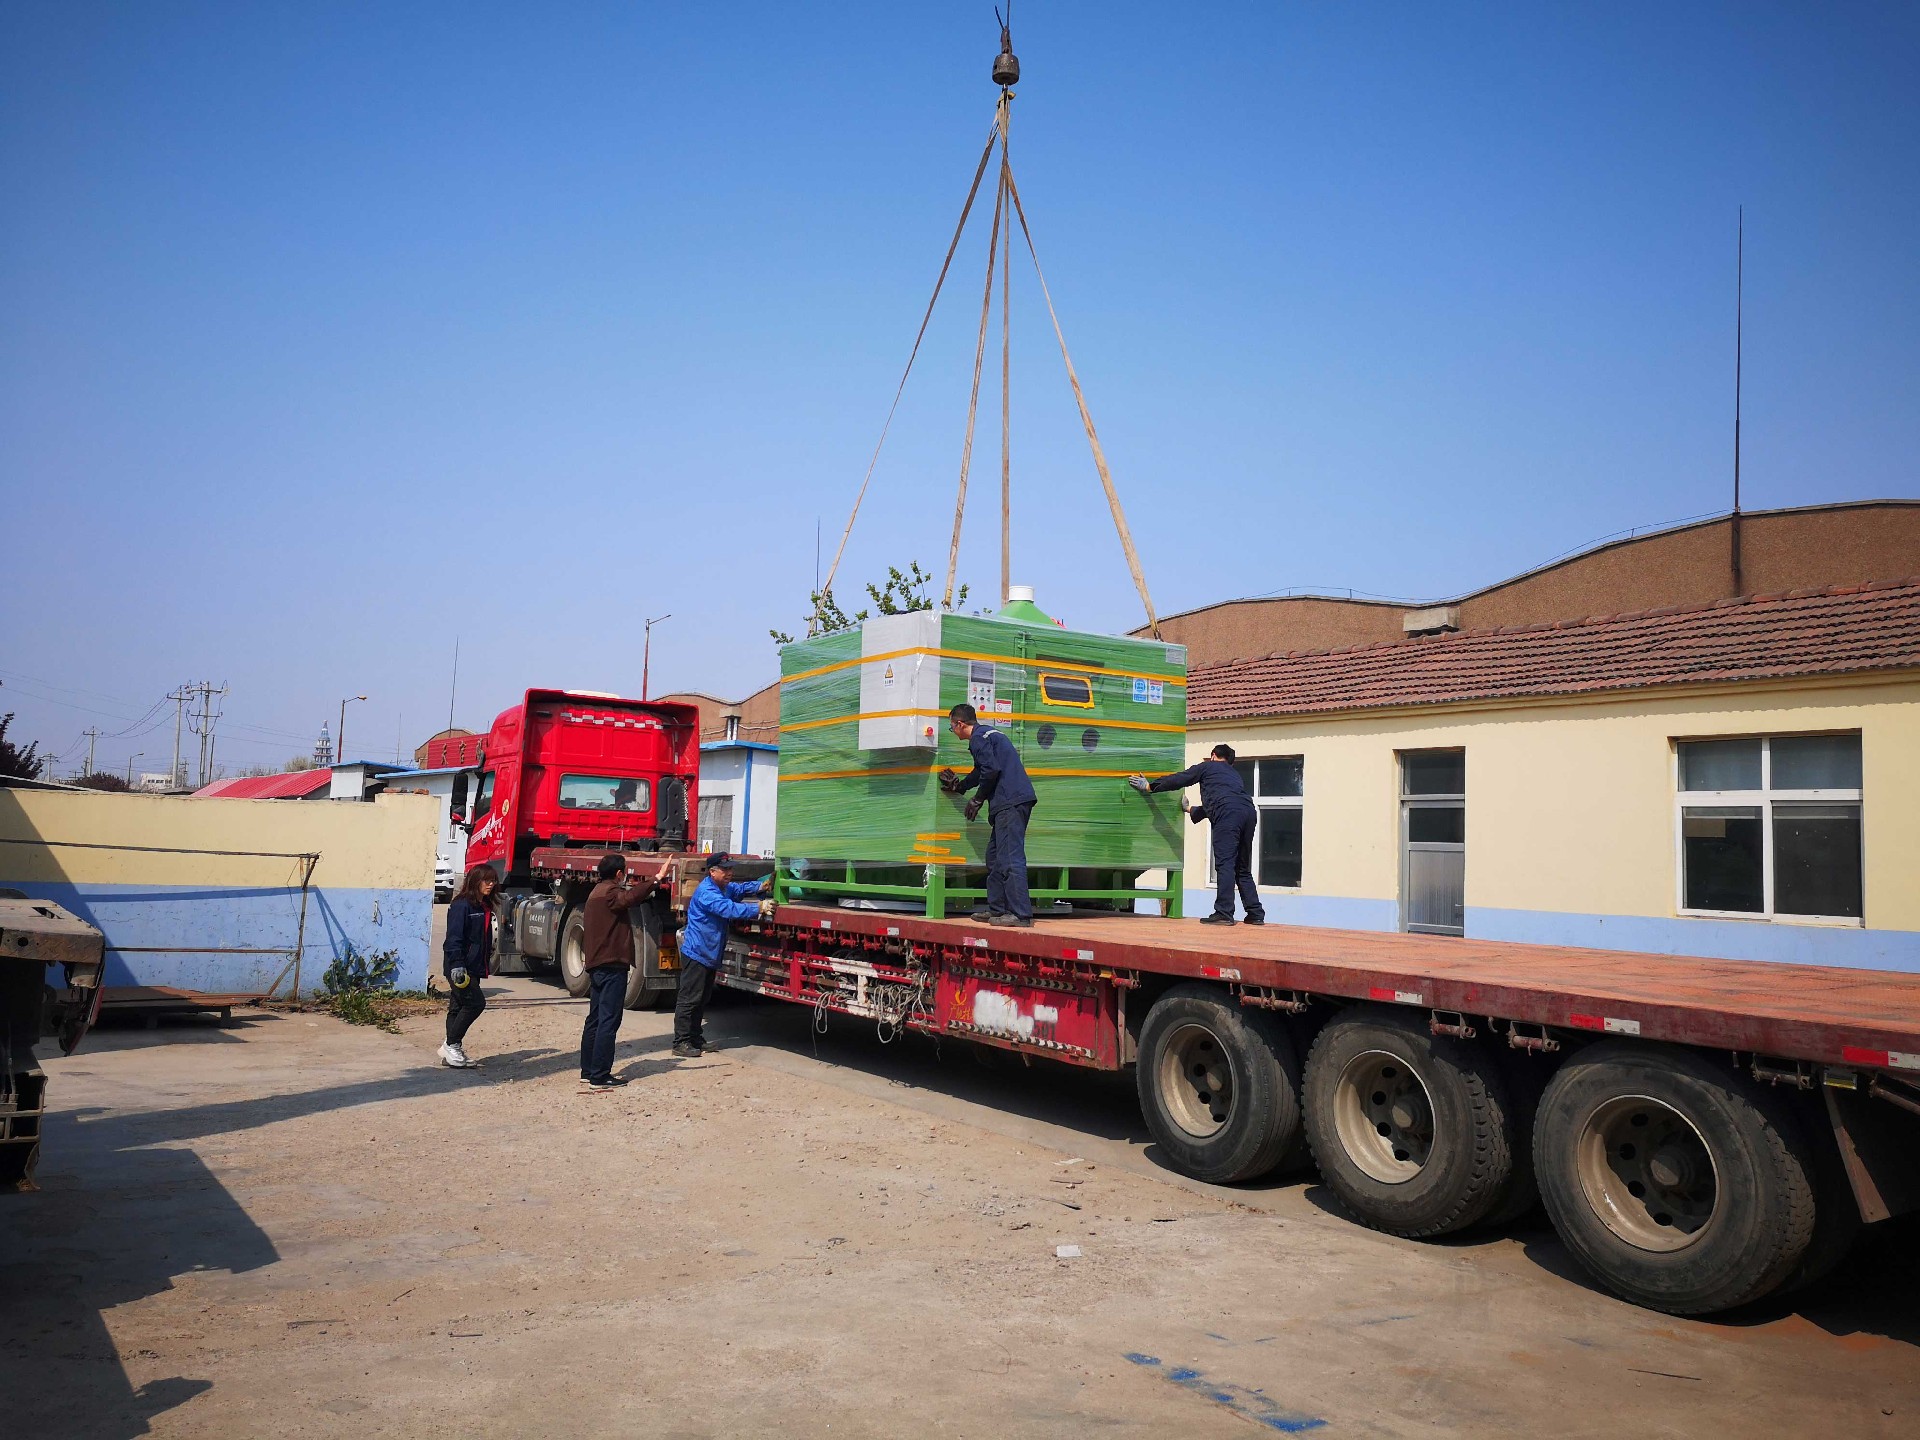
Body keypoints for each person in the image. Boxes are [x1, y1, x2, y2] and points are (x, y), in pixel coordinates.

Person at [1130, 744, 1265, 927]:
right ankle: (1255, 913)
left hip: (1228, 815)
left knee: (1225, 864)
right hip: (1249, 813)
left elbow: (1181, 778)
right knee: (1242, 866)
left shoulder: (1208, 767)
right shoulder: (1234, 776)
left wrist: (1151, 786)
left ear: (1213, 755)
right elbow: (1219, 803)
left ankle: (1224, 913)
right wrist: (1189, 809)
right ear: (1230, 762)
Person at [940, 702, 1038, 928]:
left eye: (952, 727)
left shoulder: (977, 738)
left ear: (960, 724)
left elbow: (991, 770)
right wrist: (961, 787)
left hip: (1010, 802)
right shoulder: (988, 734)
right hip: (1011, 801)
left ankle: (1020, 915)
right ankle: (998, 910)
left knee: (1010, 858)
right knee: (994, 857)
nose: (953, 731)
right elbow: (982, 770)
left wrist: (978, 799)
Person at [674, 854, 772, 1057]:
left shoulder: (723, 887)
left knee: (702, 998)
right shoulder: (707, 892)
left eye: (730, 869)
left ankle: (695, 1038)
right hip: (697, 952)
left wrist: (760, 886)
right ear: (712, 872)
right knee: (690, 998)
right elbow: (728, 908)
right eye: (725, 870)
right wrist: (758, 907)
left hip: (709, 952)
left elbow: (740, 889)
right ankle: (681, 1041)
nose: (729, 873)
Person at [579, 853, 656, 1092]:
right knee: (608, 1020)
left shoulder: (596, 892)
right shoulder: (611, 893)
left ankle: (588, 1071)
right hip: (611, 964)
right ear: (619, 873)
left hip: (598, 964)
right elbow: (629, 897)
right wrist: (655, 880)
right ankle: (600, 1076)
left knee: (595, 1018)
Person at [439, 864, 499, 1068]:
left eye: (493, 880)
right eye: (486, 880)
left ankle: (451, 1050)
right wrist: (457, 964)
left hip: (474, 966)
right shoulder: (462, 906)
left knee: (457, 1007)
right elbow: (453, 938)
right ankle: (451, 1044)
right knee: (475, 1003)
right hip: (460, 967)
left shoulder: (484, 906)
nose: (491, 884)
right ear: (475, 881)